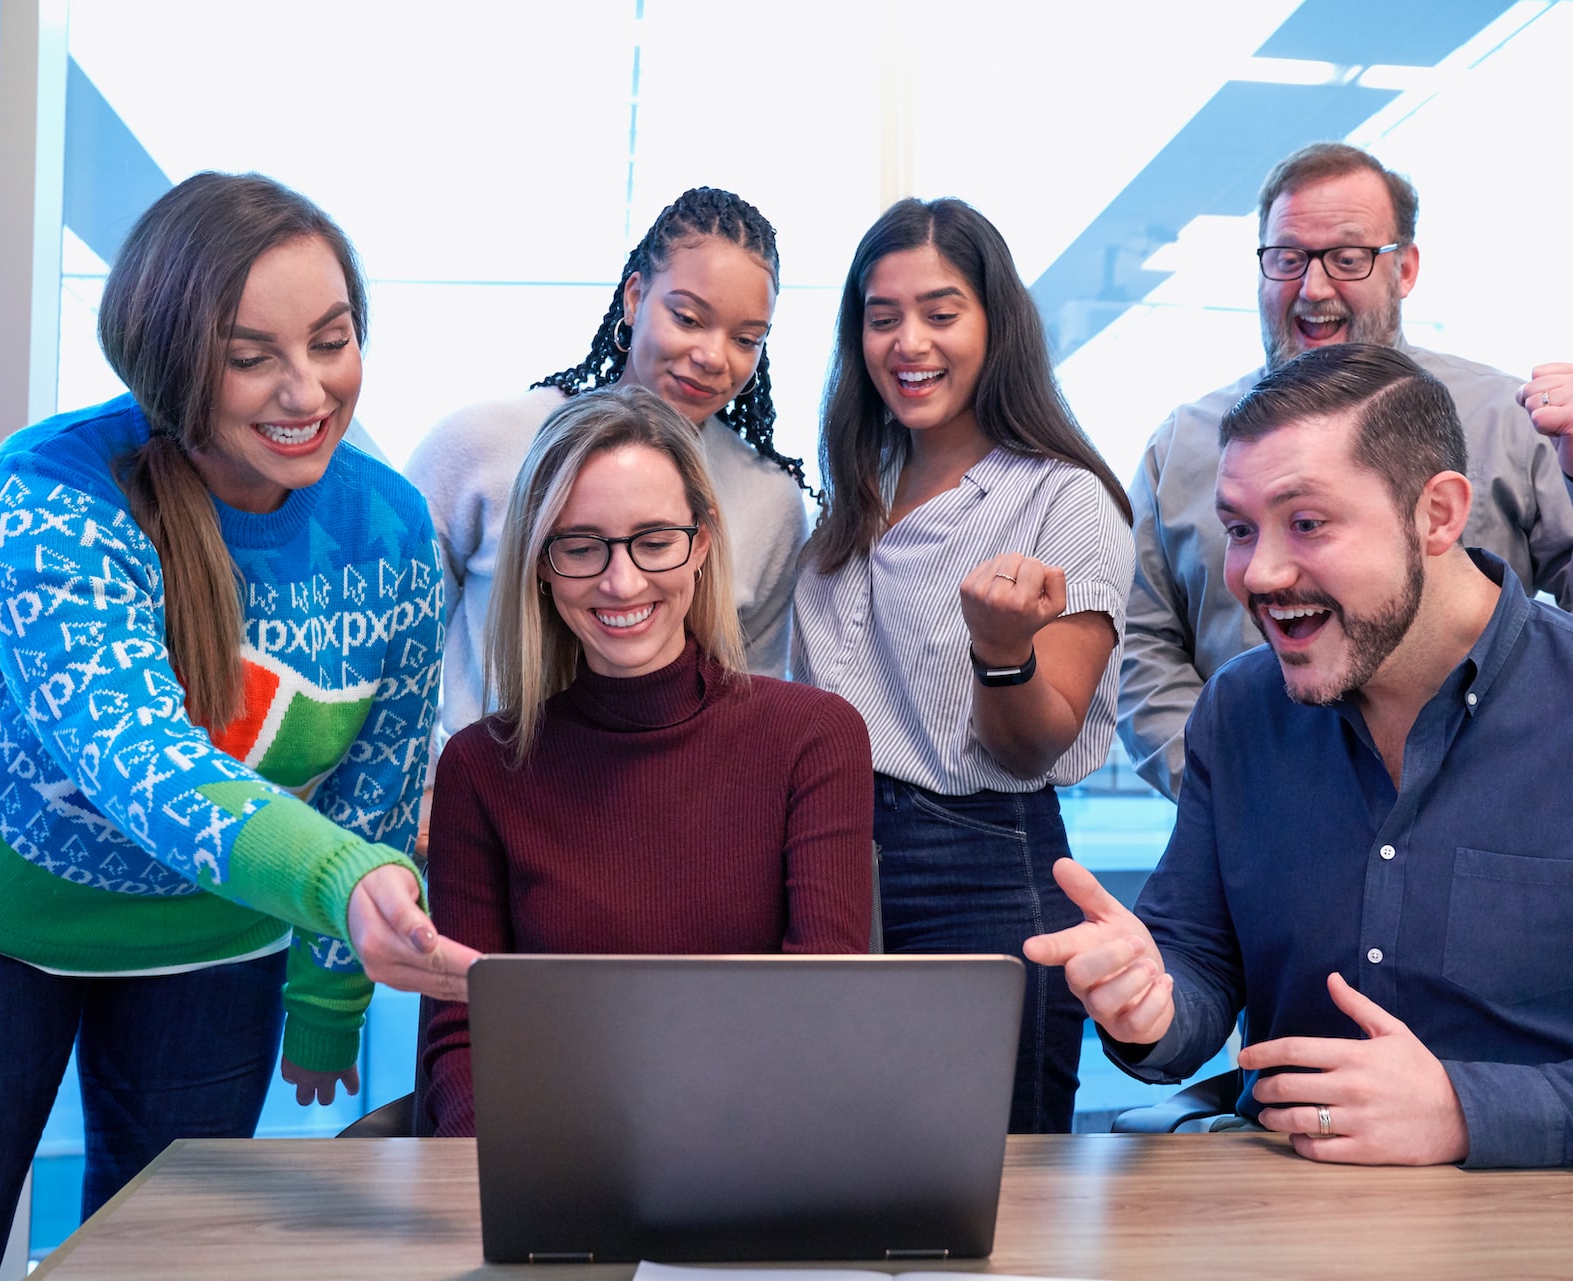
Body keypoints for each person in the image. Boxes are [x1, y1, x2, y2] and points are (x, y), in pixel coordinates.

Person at [0, 172, 477, 1278]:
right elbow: (139, 759)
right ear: (170, 357)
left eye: (332, 341)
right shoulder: (47, 493)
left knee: (167, 1263)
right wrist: (339, 885)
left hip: (209, 943)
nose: (308, 389)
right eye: (251, 356)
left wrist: (330, 989)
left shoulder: (389, 523)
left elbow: (379, 768)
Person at [1028, 343, 1573, 1169]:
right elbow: (1195, 963)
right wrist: (1150, 1001)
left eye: (1307, 523)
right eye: (1239, 529)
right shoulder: (1239, 713)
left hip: (1557, 1220)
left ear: (1438, 515)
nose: (1258, 573)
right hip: (1288, 1209)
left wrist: (1469, 1112)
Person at [1118, 141, 1573, 800]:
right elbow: (1138, 649)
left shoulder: (1507, 423)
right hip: (1257, 829)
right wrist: (1231, 789)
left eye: (1348, 258)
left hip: (1486, 813)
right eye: (1287, 259)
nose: (1313, 288)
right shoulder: (1182, 448)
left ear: (1404, 269)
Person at [419, 386, 874, 1138]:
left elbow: (821, 1012)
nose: (621, 581)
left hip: (756, 1155)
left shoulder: (813, 738)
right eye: (580, 546)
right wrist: (510, 1174)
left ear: (702, 542)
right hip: (549, 1158)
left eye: (654, 541)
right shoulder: (481, 768)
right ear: (540, 564)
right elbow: (460, 1041)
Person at [793, 198, 1135, 1134]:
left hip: (979, 867)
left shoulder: (1066, 500)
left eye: (941, 313)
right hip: (831, 857)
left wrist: (1001, 651)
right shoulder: (853, 492)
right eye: (883, 317)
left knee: (995, 1183)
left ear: (996, 325)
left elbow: (1034, 745)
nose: (910, 342)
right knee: (832, 1165)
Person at [406, 187, 811, 779]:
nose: (713, 356)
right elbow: (394, 646)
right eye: (688, 318)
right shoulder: (480, 444)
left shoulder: (769, 500)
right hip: (484, 798)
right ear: (635, 297)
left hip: (664, 810)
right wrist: (421, 789)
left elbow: (747, 708)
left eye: (746, 338)